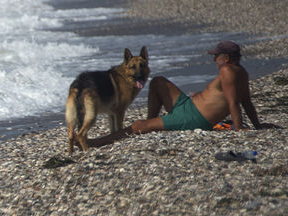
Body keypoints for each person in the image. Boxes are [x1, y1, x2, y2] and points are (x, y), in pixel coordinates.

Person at [88, 41, 272, 148]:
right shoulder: (241, 72)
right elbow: (247, 101)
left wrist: (240, 128)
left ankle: (95, 143)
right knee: (158, 81)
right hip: (188, 106)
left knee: (137, 125)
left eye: (217, 56)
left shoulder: (228, 72)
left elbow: (234, 103)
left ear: (227, 58)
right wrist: (257, 124)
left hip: (193, 117)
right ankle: (152, 124)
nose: (214, 59)